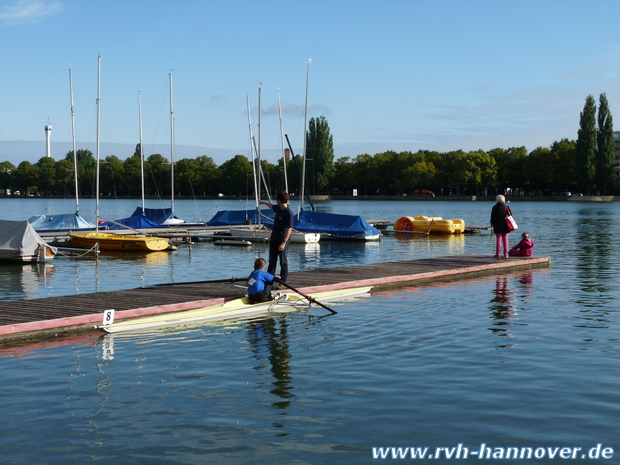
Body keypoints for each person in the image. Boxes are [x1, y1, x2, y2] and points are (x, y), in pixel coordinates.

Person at [258, 191, 293, 284]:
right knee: (272, 261)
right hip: (274, 238)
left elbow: (289, 229)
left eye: (277, 199)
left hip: (283, 239)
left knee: (283, 262)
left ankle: (283, 281)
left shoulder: (288, 213)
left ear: (279, 200)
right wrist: (264, 202)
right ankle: (269, 280)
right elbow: (272, 206)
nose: (276, 201)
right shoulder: (278, 208)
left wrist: (284, 242)